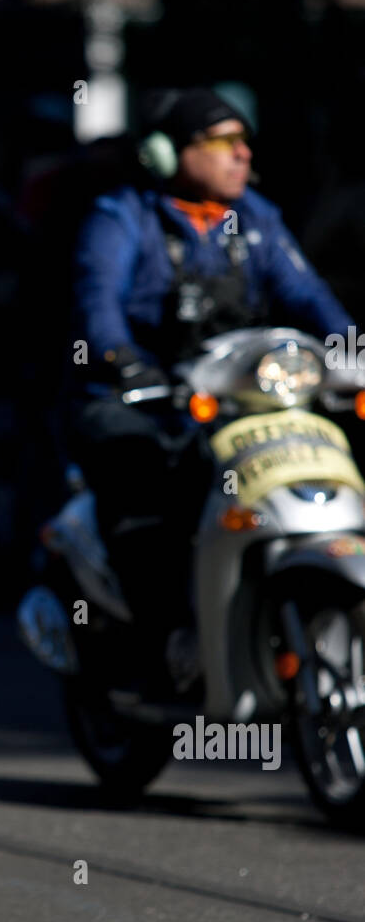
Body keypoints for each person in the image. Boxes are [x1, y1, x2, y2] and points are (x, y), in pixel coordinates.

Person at [70, 87, 354, 692]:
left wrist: (352, 351)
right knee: (150, 494)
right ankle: (166, 635)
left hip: (240, 397)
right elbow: (100, 309)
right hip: (143, 400)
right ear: (167, 154)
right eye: (223, 143)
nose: (242, 155)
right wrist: (126, 364)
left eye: (244, 142)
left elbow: (310, 297)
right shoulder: (122, 217)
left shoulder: (254, 217)